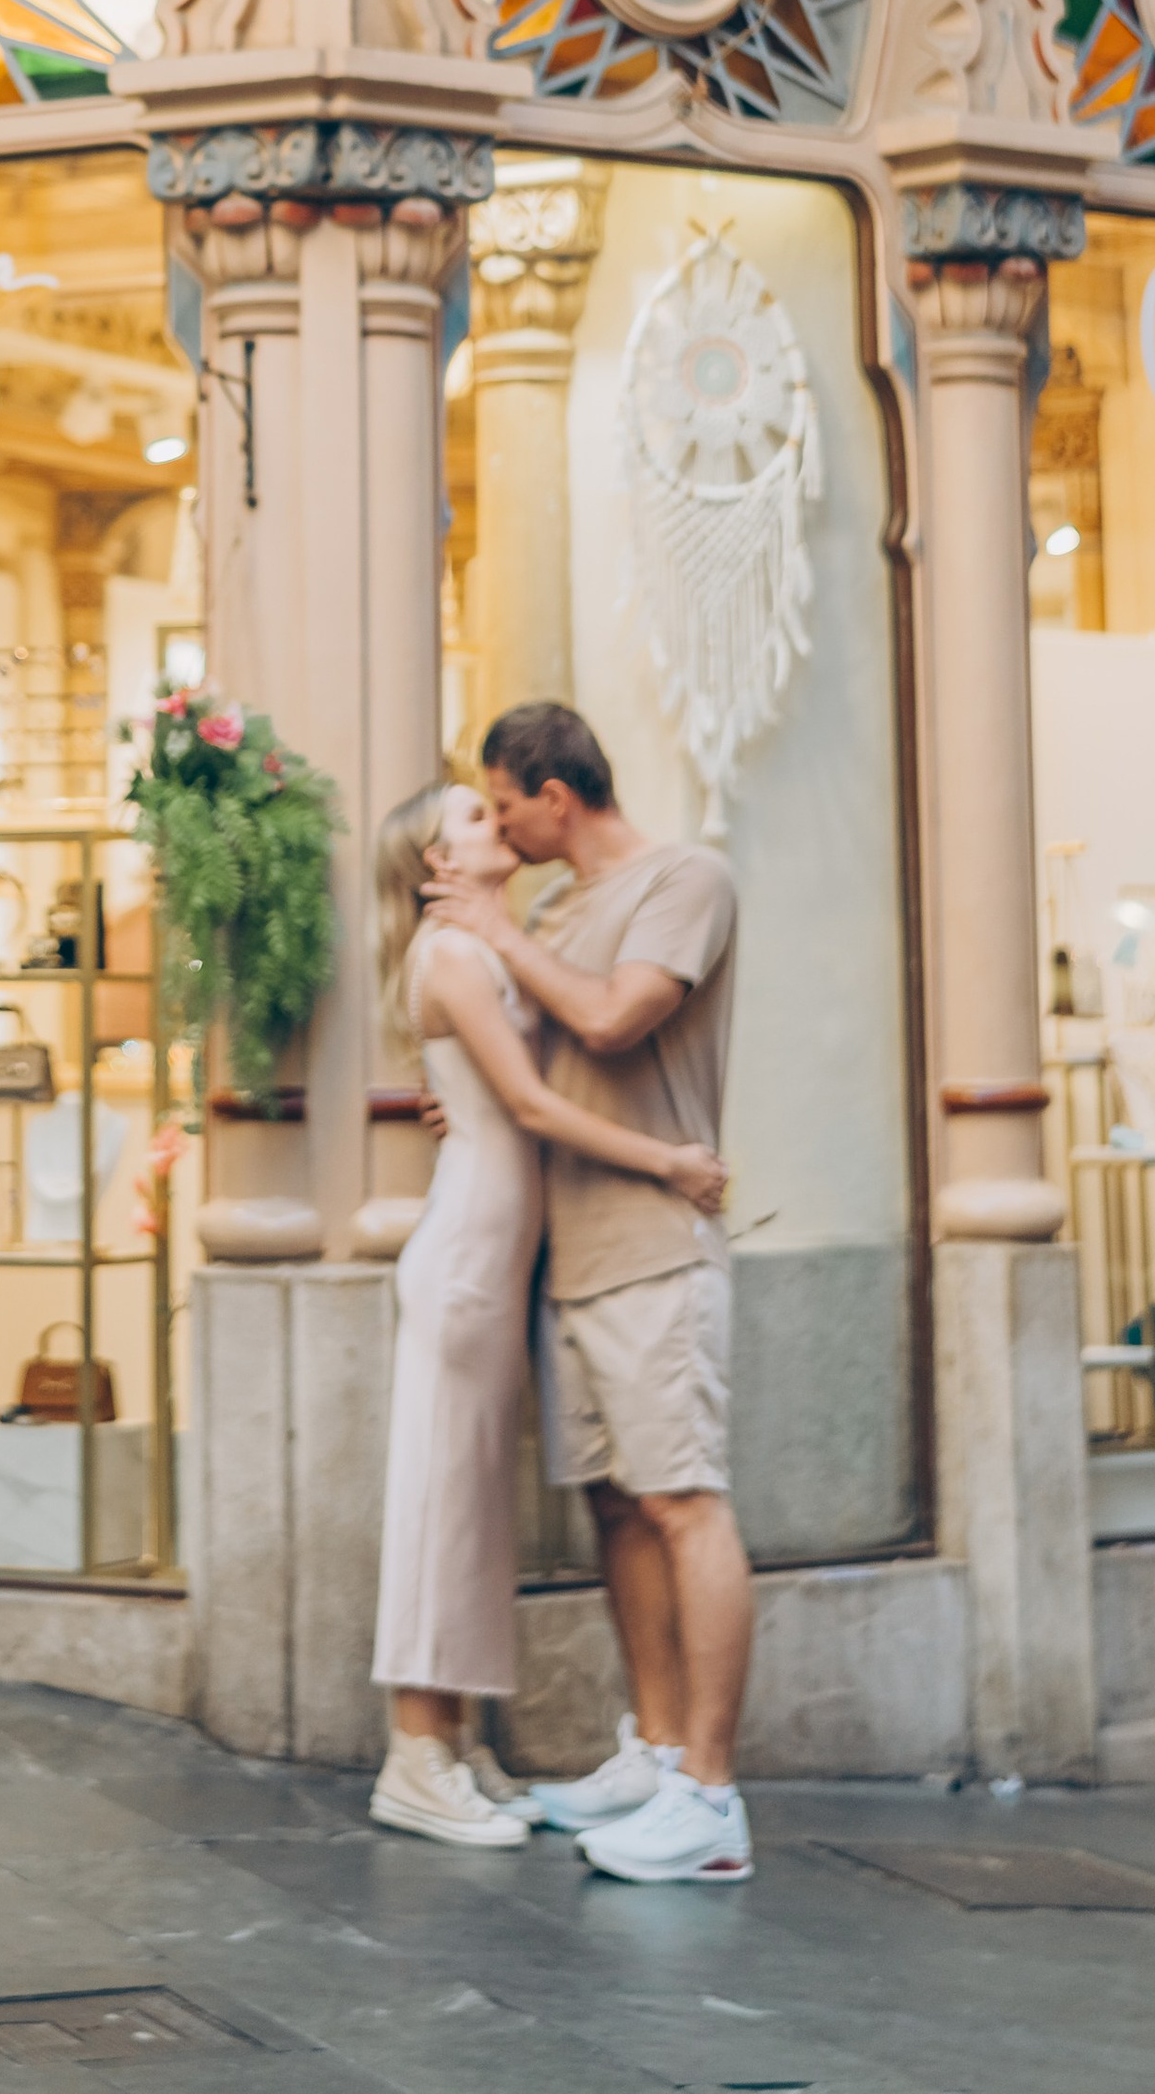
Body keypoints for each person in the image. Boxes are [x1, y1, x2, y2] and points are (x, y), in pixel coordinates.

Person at [426, 698, 752, 1888]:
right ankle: (655, 1755)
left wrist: (496, 934)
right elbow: (545, 1048)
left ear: (554, 796)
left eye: (505, 802)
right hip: (574, 1252)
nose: (500, 829)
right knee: (620, 1510)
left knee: (684, 1503)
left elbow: (615, 1019)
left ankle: (711, 1800)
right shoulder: (555, 908)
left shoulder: (686, 878)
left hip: (657, 1248)